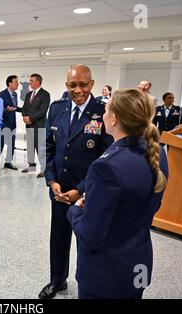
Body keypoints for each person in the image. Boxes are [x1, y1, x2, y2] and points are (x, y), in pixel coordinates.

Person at [67, 89, 169, 299]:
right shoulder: (158, 153)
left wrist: (74, 211)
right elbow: (150, 204)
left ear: (113, 119)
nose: (102, 115)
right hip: (137, 266)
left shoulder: (106, 167)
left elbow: (91, 236)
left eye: (105, 110)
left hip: (106, 275)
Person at [41, 64, 111, 299]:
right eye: (73, 85)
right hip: (59, 190)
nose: (78, 90)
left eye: (83, 84)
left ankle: (87, 285)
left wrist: (80, 190)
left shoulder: (103, 112)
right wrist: (51, 181)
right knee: (58, 238)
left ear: (92, 84)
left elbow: (106, 158)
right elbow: (49, 148)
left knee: (85, 241)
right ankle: (57, 280)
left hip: (88, 192)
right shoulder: (57, 108)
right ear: (66, 85)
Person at [22, 73, 51, 178]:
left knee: (41, 149)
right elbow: (24, 108)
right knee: (30, 147)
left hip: (39, 126)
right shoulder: (28, 94)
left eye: (32, 80)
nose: (30, 82)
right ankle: (31, 166)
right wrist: (25, 117)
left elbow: (43, 111)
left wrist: (30, 118)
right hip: (29, 126)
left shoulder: (45, 94)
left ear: (38, 81)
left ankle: (44, 169)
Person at [0, 75, 19, 170]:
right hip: (4, 123)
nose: (18, 83)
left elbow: (15, 107)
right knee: (0, 144)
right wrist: (7, 109)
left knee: (11, 144)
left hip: (12, 123)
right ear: (10, 83)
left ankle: (8, 162)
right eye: (15, 82)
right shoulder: (2, 95)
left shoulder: (15, 94)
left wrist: (27, 111)